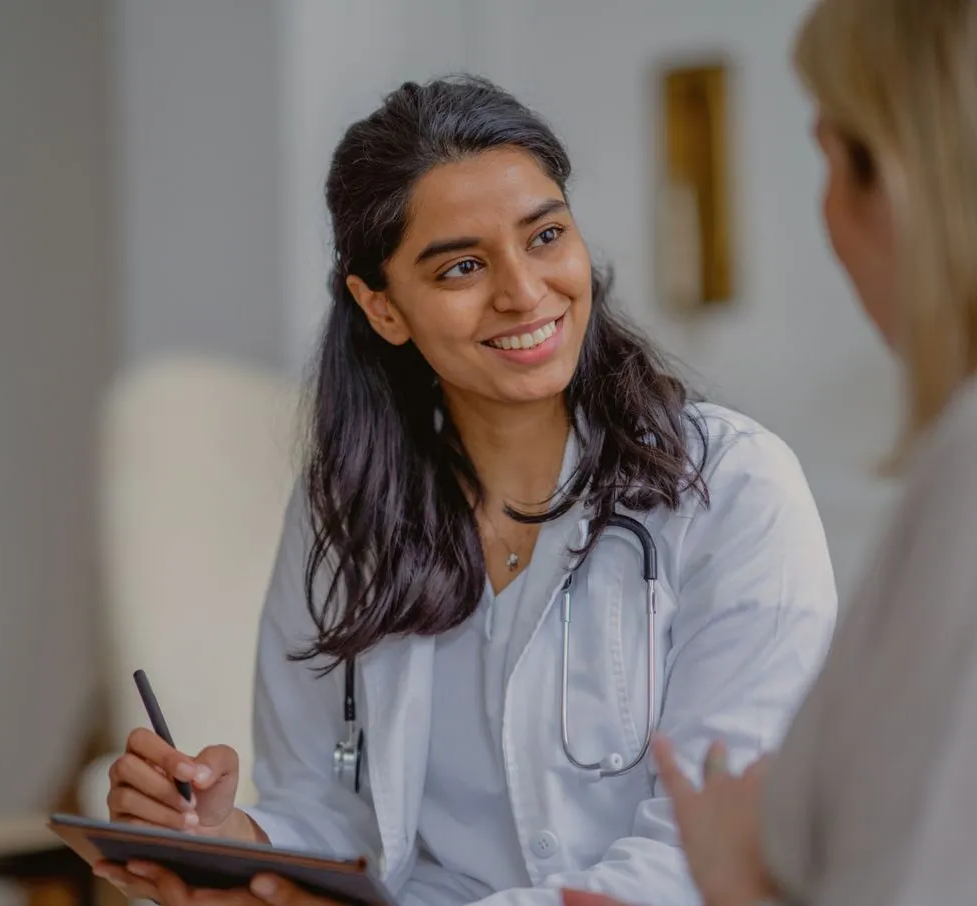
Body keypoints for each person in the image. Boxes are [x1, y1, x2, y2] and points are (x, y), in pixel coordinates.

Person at [95, 76, 837, 906]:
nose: (524, 292)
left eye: (546, 235)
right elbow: (334, 813)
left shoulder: (731, 488)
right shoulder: (343, 509)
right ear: (381, 308)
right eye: (462, 267)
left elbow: (704, 859)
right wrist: (228, 837)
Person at [563, 1, 977, 904]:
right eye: (459, 267)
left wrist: (735, 881)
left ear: (899, 180)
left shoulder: (751, 479)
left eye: (829, 157)